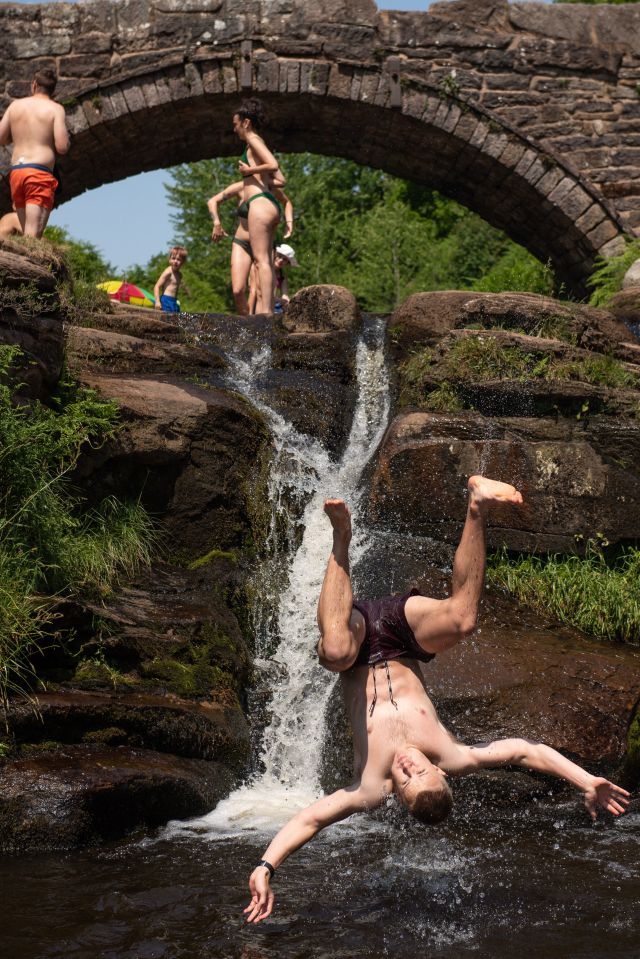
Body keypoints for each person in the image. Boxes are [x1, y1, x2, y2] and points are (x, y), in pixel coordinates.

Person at [245, 476, 630, 923]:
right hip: (401, 634)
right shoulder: (454, 755)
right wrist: (586, 781)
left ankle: (341, 538)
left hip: (354, 645)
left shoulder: (369, 788)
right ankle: (477, 504)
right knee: (463, 620)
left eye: (408, 781)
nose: (411, 768)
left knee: (333, 651)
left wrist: (265, 866)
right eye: (424, 772)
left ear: (397, 794)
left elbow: (310, 820)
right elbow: (528, 751)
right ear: (440, 771)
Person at [0, 68, 69, 239]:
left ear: (34, 85)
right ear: (53, 90)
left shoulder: (15, 106)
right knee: (33, 236)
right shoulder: (55, 109)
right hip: (38, 174)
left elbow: (1, 138)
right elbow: (62, 147)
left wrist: (15, 138)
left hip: (17, 172)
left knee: (28, 233)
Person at [208, 179, 293, 315]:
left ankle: (263, 326)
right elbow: (212, 201)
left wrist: (289, 222)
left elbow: (287, 202)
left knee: (261, 292)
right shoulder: (240, 187)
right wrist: (216, 222)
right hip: (242, 242)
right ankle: (247, 327)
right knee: (238, 290)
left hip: (264, 243)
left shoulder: (269, 188)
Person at [233, 98, 282, 314]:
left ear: (246, 122)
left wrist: (249, 173)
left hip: (259, 206)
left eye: (235, 124)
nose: (234, 129)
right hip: (269, 204)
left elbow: (273, 164)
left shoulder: (253, 140)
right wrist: (261, 180)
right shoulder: (256, 142)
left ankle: (266, 313)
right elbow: (281, 179)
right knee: (267, 262)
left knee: (261, 260)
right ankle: (267, 310)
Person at [153, 246, 190, 313]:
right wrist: (157, 301)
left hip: (174, 301)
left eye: (178, 259)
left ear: (183, 262)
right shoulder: (168, 272)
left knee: (175, 321)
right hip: (166, 301)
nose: (175, 261)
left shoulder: (179, 275)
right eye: (173, 258)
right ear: (169, 259)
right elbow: (157, 286)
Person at [273, 243, 298, 313]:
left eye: (284, 259)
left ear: (287, 263)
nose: (281, 260)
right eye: (279, 256)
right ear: (275, 254)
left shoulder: (282, 276)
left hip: (275, 305)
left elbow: (285, 295)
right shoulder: (265, 269)